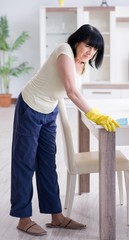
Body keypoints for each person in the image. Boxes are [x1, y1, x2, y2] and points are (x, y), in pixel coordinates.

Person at [10, 24, 120, 236]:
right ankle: (23, 219)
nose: (90, 52)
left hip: (50, 112)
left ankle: (56, 216)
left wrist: (94, 111)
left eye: (95, 49)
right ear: (77, 41)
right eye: (88, 45)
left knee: (48, 164)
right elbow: (71, 91)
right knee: (24, 163)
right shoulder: (64, 51)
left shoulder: (82, 64)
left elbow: (73, 91)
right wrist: (95, 115)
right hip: (30, 107)